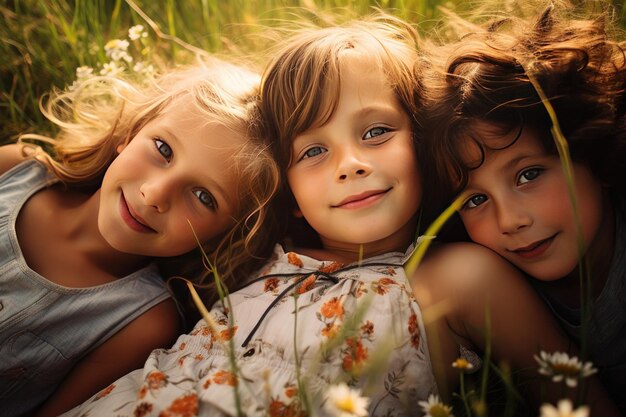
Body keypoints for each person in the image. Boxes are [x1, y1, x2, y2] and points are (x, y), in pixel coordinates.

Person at [61, 15, 616, 417]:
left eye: (376, 132)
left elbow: (575, 399)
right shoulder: (259, 253)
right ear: (289, 191)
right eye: (313, 151)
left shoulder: (453, 278)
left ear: (422, 146)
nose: (350, 165)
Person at [0, 59, 280, 417]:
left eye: (203, 197)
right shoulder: (14, 170)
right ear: (130, 133)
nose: (155, 194)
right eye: (163, 149)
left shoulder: (142, 323)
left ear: (223, 234)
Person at [420, 1, 626, 413]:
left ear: (593, 149)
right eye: (475, 200)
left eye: (529, 175)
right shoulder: (493, 289)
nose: (510, 221)